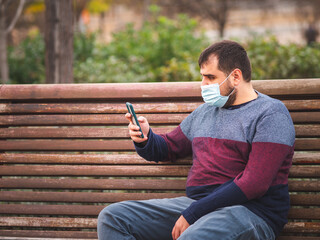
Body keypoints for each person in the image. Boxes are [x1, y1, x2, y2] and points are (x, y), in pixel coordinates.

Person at [97, 40, 295, 240]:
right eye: (202, 77)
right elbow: (167, 147)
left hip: (249, 212)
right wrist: (145, 137)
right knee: (113, 218)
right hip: (198, 206)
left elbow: (254, 183)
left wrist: (194, 213)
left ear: (235, 76)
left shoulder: (271, 114)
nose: (203, 85)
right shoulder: (205, 113)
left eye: (210, 77)